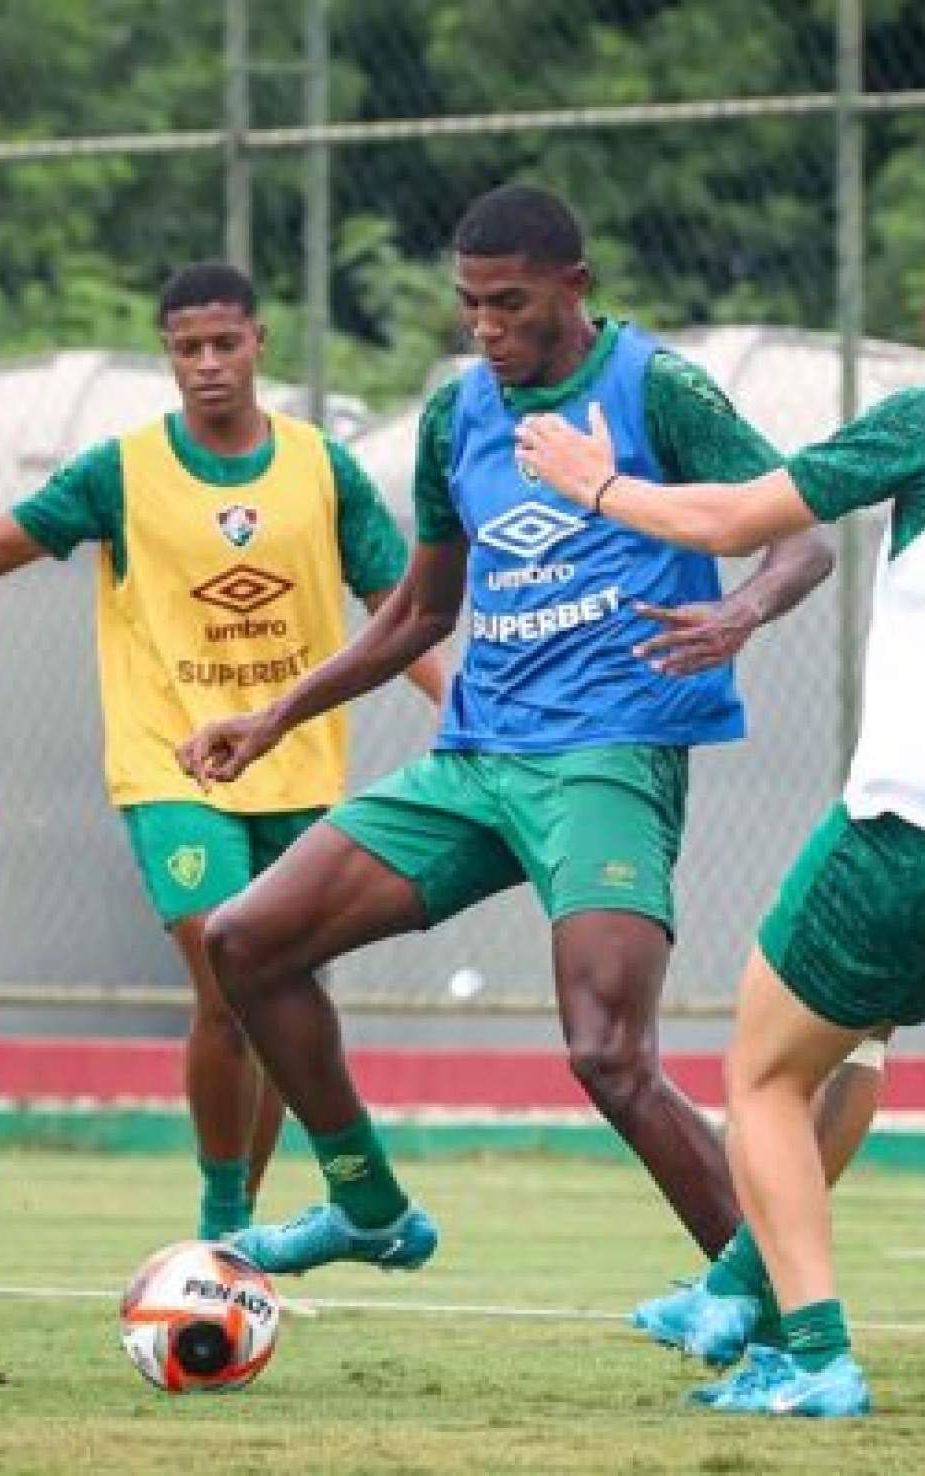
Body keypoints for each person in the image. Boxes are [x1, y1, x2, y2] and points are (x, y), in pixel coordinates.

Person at [518, 209, 925, 1418]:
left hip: (919, 821)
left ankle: (809, 1352)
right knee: (856, 1040)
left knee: (764, 1076)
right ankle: (733, 1285)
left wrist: (595, 481)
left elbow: (736, 519)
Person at [176, 184, 834, 1276]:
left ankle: (772, 1310)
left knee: (606, 1055)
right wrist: (274, 713)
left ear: (572, 289)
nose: (484, 328)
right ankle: (367, 1204)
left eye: (508, 303)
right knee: (244, 942)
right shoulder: (455, 414)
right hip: (475, 762)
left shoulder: (655, 388)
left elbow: (799, 540)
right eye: (468, 304)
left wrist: (739, 608)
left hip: (607, 757)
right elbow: (422, 612)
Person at [0, 262, 444, 1240]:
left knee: (278, 994)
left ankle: (239, 1249)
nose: (205, 365)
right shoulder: (120, 471)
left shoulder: (320, 469)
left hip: (296, 768)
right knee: (227, 979)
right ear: (168, 355)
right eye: (185, 348)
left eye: (223, 344)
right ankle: (220, 1219)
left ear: (258, 344)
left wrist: (470, 707)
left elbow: (399, 612)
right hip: (173, 767)